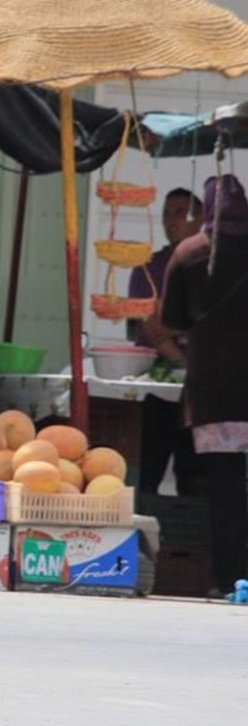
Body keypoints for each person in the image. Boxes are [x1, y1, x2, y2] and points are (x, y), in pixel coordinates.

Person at [161, 173, 248, 595]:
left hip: (214, 395)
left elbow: (171, 320)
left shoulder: (188, 253)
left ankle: (230, 579)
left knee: (225, 491)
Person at [129, 188, 204, 498]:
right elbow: (151, 327)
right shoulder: (148, 267)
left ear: (201, 219)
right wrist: (183, 357)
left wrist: (173, 324)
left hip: (202, 381)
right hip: (159, 376)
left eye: (181, 213)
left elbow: (209, 322)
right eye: (167, 213)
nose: (171, 220)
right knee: (148, 467)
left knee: (194, 474)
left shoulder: (212, 265)